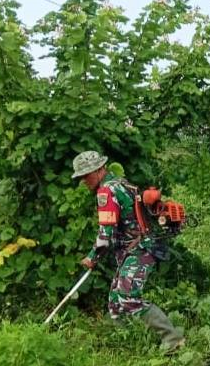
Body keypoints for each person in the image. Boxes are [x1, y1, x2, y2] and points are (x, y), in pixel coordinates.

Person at [72, 151, 185, 352]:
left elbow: (105, 235)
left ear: (99, 170)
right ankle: (123, 342)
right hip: (133, 249)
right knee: (116, 301)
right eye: (81, 177)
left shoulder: (106, 192)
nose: (84, 180)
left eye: (86, 175)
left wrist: (92, 258)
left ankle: (173, 339)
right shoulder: (121, 183)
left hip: (140, 249)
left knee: (127, 296)